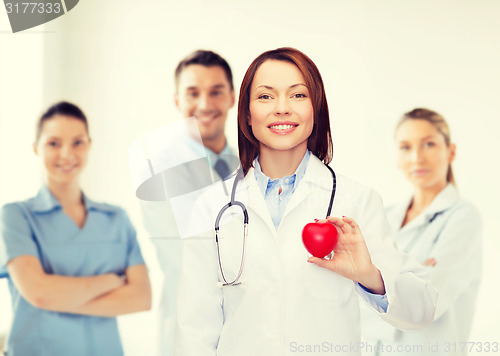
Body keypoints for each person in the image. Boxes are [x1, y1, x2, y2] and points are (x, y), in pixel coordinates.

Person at [175, 47, 438, 356]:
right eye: (265, 97)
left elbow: (422, 309)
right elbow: (194, 331)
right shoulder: (213, 206)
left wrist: (368, 275)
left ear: (316, 109)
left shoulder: (356, 201)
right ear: (247, 113)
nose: (282, 108)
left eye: (298, 95)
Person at [0, 102, 152, 356]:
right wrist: (110, 281)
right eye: (54, 143)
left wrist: (57, 298)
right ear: (36, 148)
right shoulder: (16, 216)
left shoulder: (116, 219)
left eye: (77, 142)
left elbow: (141, 297)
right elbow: (38, 294)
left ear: (89, 145)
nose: (67, 154)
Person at [128, 50, 239, 356]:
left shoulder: (253, 167)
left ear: (232, 97)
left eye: (216, 92)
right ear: (177, 100)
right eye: (193, 93)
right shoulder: (159, 168)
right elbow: (187, 254)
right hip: (188, 330)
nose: (205, 104)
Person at [361, 108, 482, 355]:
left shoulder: (463, 218)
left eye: (429, 144)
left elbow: (427, 306)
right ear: (396, 156)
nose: (417, 157)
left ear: (451, 151)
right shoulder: (384, 215)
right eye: (405, 147)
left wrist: (369, 283)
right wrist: (400, 285)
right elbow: (350, 303)